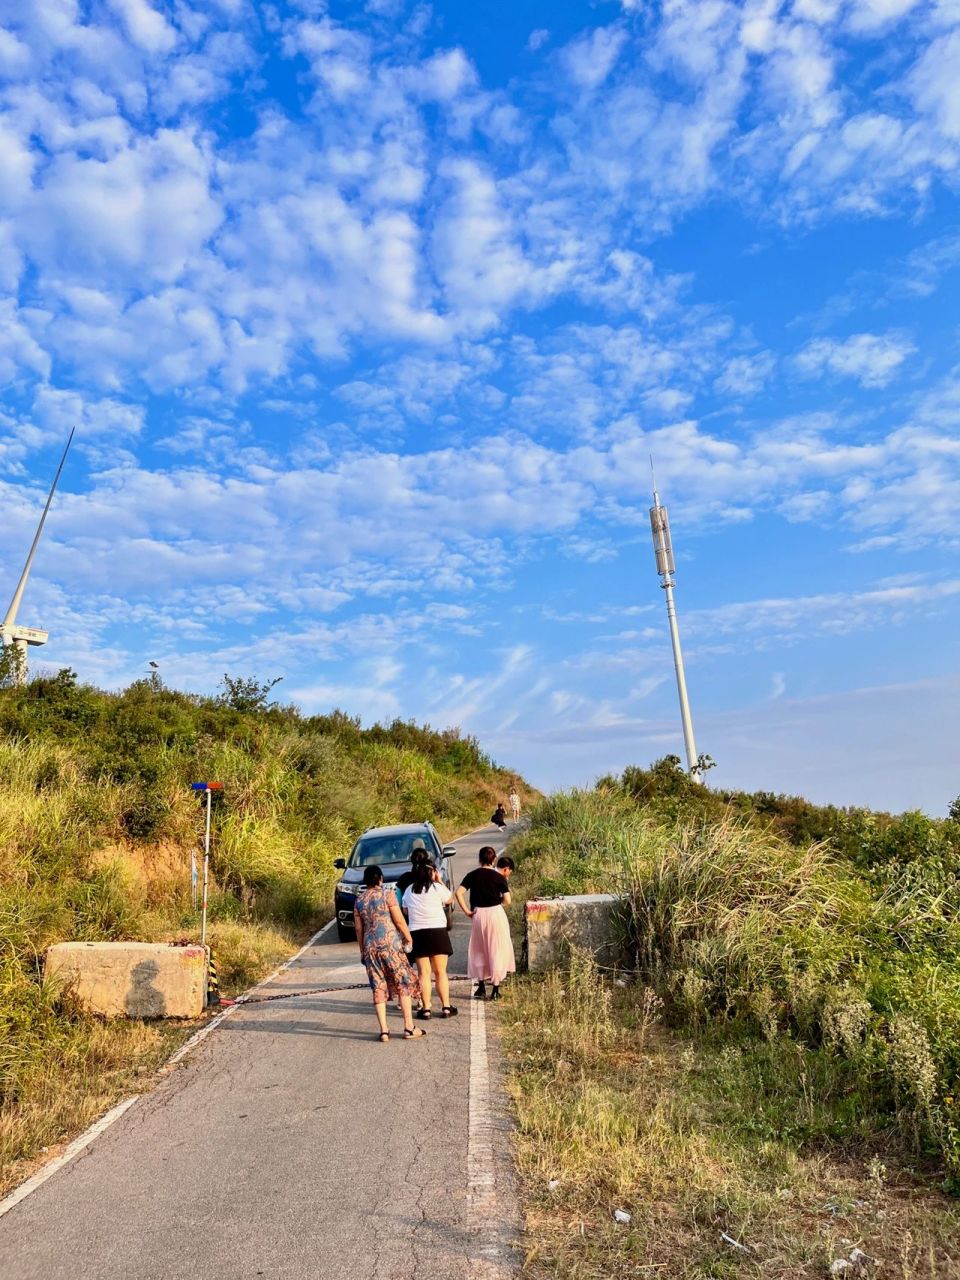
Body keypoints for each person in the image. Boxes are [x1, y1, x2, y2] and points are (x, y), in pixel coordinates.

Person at [353, 865, 425, 1042]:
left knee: (377, 985)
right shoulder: (388, 894)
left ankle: (384, 1031)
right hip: (390, 944)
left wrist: (362, 949)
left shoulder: (359, 900)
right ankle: (409, 1027)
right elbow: (399, 920)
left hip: (370, 947)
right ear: (380, 879)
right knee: (403, 981)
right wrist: (409, 938)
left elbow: (358, 928)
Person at [456, 846, 515, 1001]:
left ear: (480, 859)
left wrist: (467, 911)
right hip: (495, 912)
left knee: (479, 949)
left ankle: (481, 986)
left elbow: (458, 893)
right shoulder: (499, 877)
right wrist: (499, 901)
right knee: (497, 948)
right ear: (494, 859)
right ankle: (495, 988)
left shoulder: (472, 875)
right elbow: (508, 900)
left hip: (478, 914)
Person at [402, 859, 458, 1020]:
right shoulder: (437, 888)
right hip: (438, 933)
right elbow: (450, 900)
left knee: (423, 974)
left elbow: (406, 911)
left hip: (418, 934)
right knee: (440, 972)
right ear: (432, 872)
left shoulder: (409, 890)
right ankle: (446, 1007)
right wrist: (440, 881)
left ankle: (426, 1008)